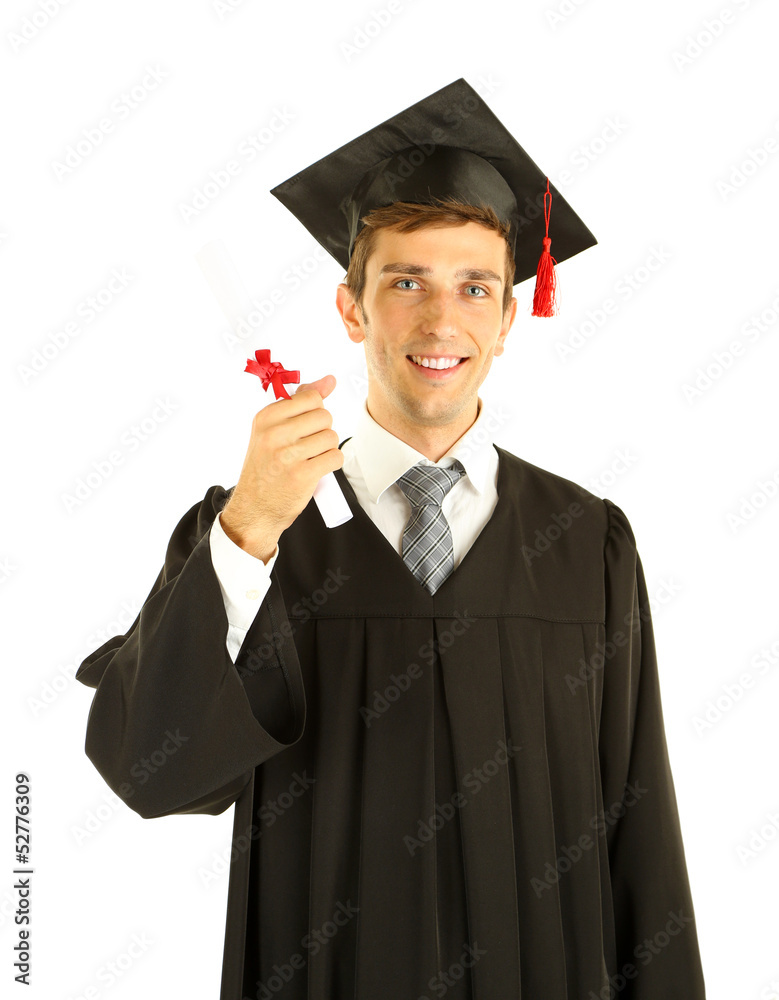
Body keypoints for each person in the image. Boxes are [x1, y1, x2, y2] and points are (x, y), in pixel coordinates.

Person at [76, 79, 707, 999]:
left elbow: (638, 827)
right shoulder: (256, 529)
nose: (439, 319)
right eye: (404, 280)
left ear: (504, 320)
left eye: (473, 287)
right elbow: (152, 772)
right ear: (350, 308)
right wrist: (247, 528)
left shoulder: (587, 543)